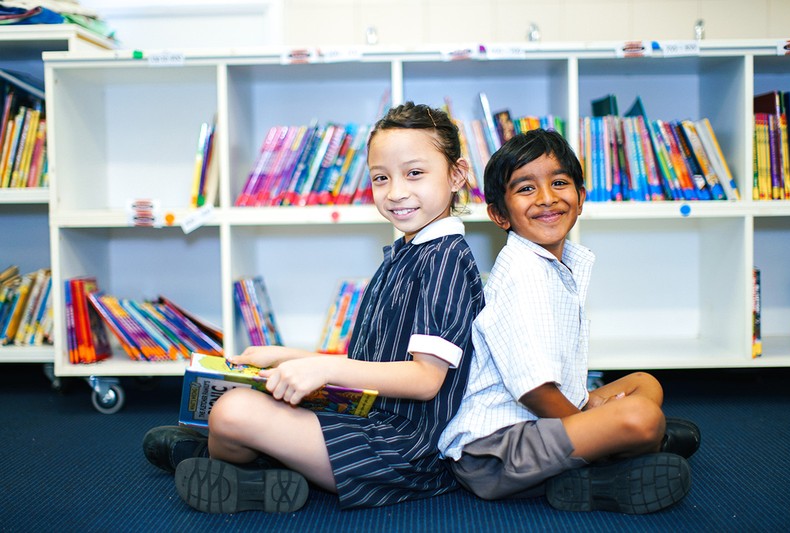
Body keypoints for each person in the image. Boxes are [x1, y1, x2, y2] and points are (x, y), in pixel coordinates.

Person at [142, 102, 485, 514]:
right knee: (239, 401)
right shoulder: (408, 252)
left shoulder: (444, 258)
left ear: (457, 175)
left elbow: (426, 379)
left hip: (403, 450)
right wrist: (292, 356)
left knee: (232, 412)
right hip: (368, 414)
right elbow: (370, 362)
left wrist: (323, 368)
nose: (395, 192)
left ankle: (244, 465)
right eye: (381, 178)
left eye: (414, 173)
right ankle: (248, 459)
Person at [438, 128, 700, 515]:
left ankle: (613, 449)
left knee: (646, 383)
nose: (547, 198)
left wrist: (591, 420)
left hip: (535, 427)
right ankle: (614, 457)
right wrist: (589, 424)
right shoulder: (522, 276)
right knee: (641, 417)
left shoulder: (556, 265)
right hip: (494, 452)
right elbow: (534, 390)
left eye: (559, 182)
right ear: (499, 214)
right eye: (526, 188)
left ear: (580, 198)